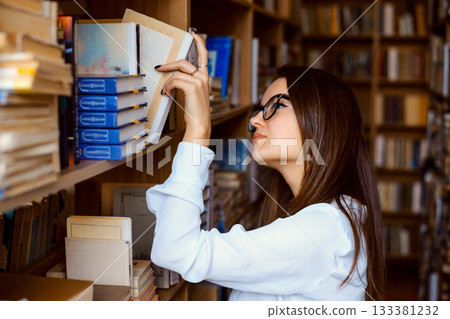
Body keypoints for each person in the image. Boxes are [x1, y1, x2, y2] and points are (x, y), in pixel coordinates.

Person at [147, 30, 386, 301]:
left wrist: (198, 129)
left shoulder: (324, 231)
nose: (255, 121)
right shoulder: (328, 219)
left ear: (322, 121)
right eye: (259, 109)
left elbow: (176, 251)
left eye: (276, 106)